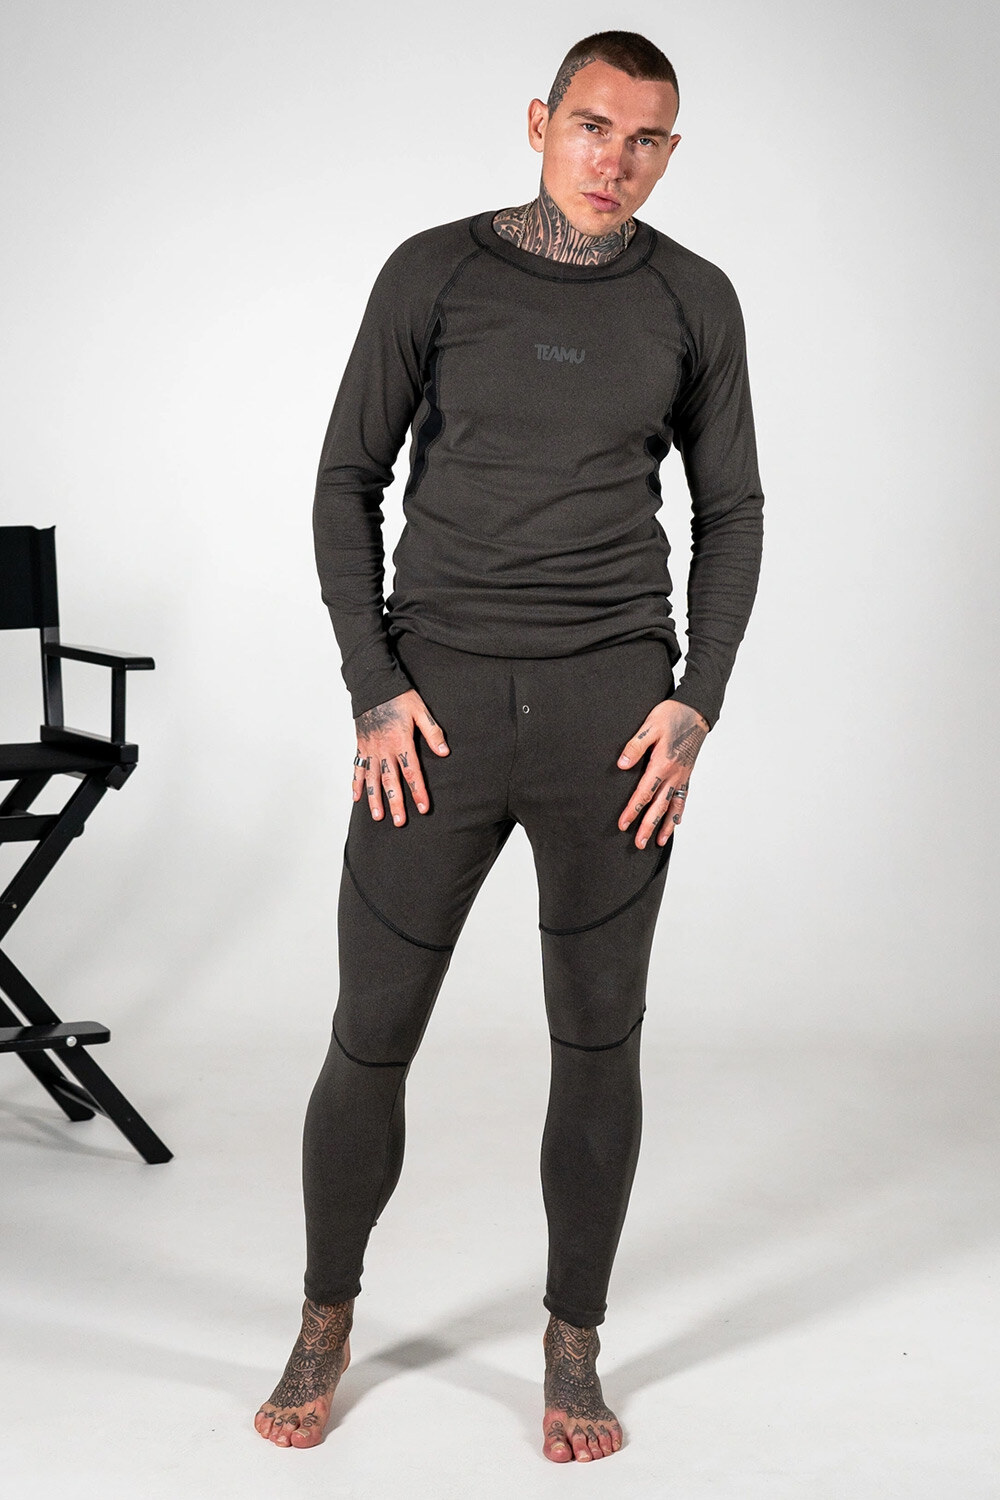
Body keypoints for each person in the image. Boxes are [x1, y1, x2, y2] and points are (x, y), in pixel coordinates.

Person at [255, 28, 764, 1463]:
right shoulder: (436, 272)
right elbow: (345, 480)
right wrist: (373, 684)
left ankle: (573, 1341)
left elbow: (732, 509)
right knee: (372, 1034)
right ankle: (324, 1317)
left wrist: (698, 699)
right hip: (437, 715)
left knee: (599, 1037)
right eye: (594, 127)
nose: (617, 161)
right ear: (539, 121)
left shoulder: (695, 299)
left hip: (615, 722)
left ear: (672, 152)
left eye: (648, 140)